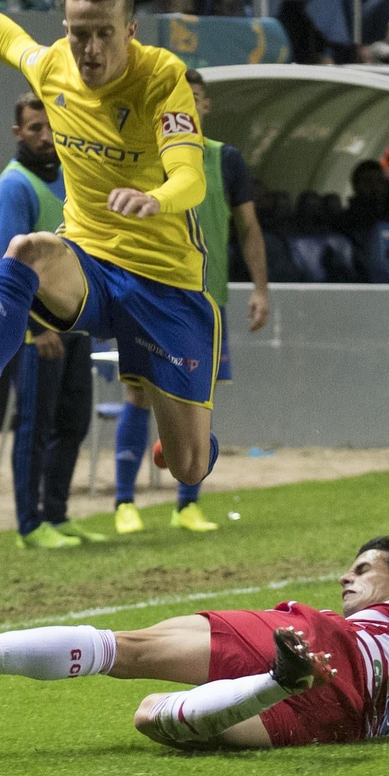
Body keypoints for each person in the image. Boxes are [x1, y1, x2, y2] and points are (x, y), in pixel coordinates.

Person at [0, 0, 221, 492]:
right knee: (27, 248)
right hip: (91, 262)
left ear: (131, 30)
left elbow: (190, 176)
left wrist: (157, 199)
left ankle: (194, 441)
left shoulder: (161, 78)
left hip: (165, 280)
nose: (89, 49)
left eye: (103, 33)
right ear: (65, 27)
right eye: (78, 32)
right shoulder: (54, 66)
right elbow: (7, 38)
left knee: (187, 466)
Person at [0, 536, 389, 749]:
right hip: (330, 724)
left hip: (317, 646)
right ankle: (277, 681)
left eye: (363, 568)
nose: (347, 576)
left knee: (127, 648)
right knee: (149, 719)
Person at [112, 68, 269, 537]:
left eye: (194, 98)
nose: (188, 106)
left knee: (199, 401)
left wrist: (260, 289)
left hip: (206, 303)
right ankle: (124, 503)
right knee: (138, 393)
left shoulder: (226, 160)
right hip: (148, 298)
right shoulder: (140, 157)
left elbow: (248, 228)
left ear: (205, 106)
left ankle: (188, 503)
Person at [0, 94, 96, 550]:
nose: (45, 136)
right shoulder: (14, 186)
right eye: (34, 128)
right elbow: (11, 265)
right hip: (39, 331)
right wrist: (37, 327)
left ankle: (57, 513)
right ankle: (29, 525)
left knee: (73, 421)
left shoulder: (69, 178)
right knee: (35, 426)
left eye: (50, 126)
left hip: (75, 324)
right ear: (18, 134)